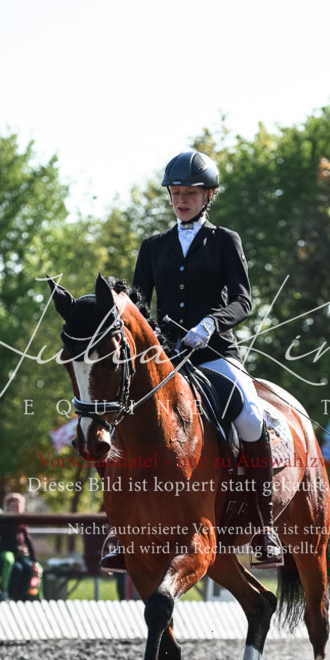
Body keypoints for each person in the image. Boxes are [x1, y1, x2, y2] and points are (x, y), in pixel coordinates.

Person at [131, 149, 282, 567]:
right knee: (122, 417)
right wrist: (152, 333)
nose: (181, 200)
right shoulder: (153, 247)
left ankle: (264, 524)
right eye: (176, 193)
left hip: (215, 354)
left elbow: (243, 299)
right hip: (166, 359)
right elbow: (140, 303)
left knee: (250, 415)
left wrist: (212, 323)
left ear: (208, 195)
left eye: (190, 194)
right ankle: (120, 529)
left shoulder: (224, 241)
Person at [0, 493, 41, 600]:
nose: (15, 509)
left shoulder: (22, 523)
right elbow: (2, 541)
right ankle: (9, 594)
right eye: (13, 506)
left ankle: (22, 596)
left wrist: (34, 559)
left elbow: (28, 541)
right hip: (10, 552)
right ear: (8, 508)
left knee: (28, 568)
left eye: (18, 506)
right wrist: (15, 549)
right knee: (17, 568)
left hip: (21, 555)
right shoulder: (3, 522)